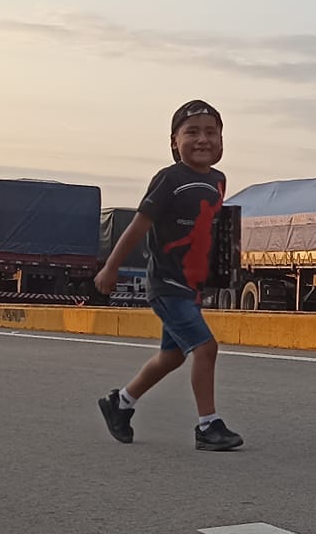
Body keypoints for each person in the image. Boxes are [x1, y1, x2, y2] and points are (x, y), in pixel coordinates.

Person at [94, 99, 244, 452]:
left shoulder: (218, 180)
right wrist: (111, 266)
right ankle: (207, 425)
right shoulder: (169, 179)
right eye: (192, 132)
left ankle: (121, 403)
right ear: (175, 142)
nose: (203, 139)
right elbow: (139, 225)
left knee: (172, 356)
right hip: (167, 284)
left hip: (191, 286)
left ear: (222, 140)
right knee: (205, 347)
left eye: (211, 132)